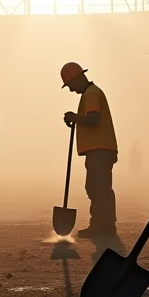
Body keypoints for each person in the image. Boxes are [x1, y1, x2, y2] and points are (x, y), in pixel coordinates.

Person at [61, 62, 118, 238]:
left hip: (100, 149)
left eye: (70, 85)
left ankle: (103, 226)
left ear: (77, 78)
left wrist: (74, 117)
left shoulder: (91, 94)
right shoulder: (90, 93)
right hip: (99, 149)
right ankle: (103, 225)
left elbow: (93, 119)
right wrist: (76, 118)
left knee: (98, 188)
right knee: (98, 187)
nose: (70, 90)